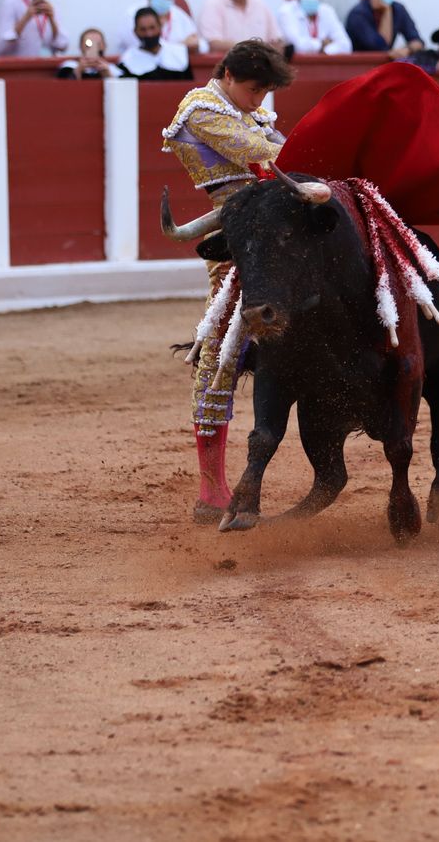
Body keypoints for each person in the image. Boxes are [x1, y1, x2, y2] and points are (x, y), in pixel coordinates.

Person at [160, 39, 298, 519]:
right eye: (255, 90)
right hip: (238, 240)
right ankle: (210, 486)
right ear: (229, 76)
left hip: (283, 228)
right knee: (220, 350)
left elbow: (277, 149)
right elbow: (261, 155)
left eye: (265, 92)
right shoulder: (199, 109)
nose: (260, 101)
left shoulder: (253, 112)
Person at [116, 0, 202, 53]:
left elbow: (201, 44)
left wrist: (196, 44)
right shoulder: (132, 15)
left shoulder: (180, 15)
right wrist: (181, 46)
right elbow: (144, 47)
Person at [346, 0, 422, 52]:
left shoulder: (398, 9)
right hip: (362, 63)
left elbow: (417, 41)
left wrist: (408, 49)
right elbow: (381, 47)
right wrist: (387, 11)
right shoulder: (358, 14)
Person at [275, 0, 353, 54]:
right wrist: (322, 44)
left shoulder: (327, 11)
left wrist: (326, 50)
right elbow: (296, 46)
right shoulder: (286, 12)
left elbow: (346, 45)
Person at [119, 7, 196, 79]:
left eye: (152, 28)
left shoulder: (179, 54)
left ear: (160, 27)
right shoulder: (127, 61)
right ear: (135, 32)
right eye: (143, 29)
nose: (149, 34)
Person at [58, 27, 122, 78]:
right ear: (81, 46)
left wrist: (109, 76)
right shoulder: (69, 66)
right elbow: (62, 86)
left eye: (98, 43)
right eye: (88, 44)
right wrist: (77, 72)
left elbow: (122, 89)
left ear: (104, 46)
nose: (93, 47)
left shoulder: (114, 70)